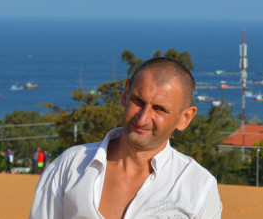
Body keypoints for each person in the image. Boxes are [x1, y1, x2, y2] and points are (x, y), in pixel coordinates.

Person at [29, 57, 222, 219]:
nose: (143, 118)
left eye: (159, 109)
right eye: (138, 101)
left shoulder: (198, 187)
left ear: (185, 118)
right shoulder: (69, 166)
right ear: (125, 94)